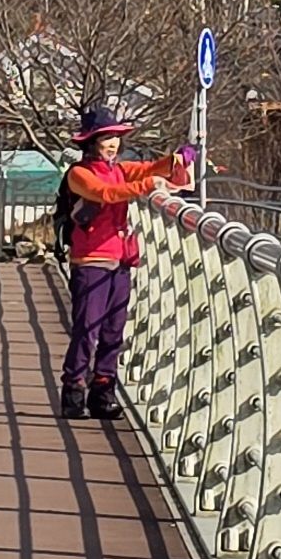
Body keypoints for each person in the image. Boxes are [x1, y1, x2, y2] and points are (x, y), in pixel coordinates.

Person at [56, 103, 192, 420]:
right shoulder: (79, 174)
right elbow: (107, 193)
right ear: (91, 142)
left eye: (116, 137)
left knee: (113, 330)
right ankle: (73, 390)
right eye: (106, 138)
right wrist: (149, 185)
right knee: (87, 329)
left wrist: (176, 160)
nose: (113, 143)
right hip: (90, 259)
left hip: (120, 258)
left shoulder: (119, 168)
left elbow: (149, 168)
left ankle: (103, 392)